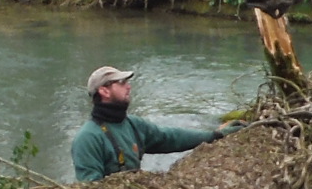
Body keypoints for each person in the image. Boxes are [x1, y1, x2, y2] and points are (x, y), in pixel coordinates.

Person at [72, 65, 225, 182]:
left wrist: (216, 135)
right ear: (104, 91)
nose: (128, 86)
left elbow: (170, 138)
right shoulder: (88, 138)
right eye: (122, 82)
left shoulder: (134, 124)